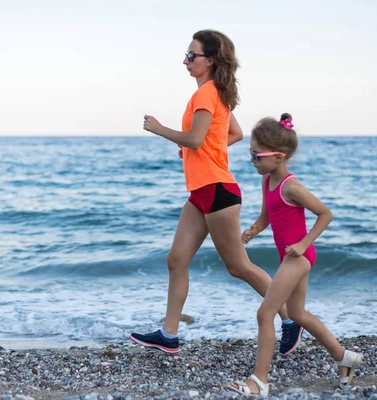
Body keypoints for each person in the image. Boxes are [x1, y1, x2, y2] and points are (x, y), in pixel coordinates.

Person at [129, 30, 302, 355]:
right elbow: (233, 133)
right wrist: (202, 151)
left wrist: (159, 128)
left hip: (217, 190)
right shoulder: (214, 94)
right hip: (201, 191)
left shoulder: (207, 95)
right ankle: (169, 335)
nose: (185, 60)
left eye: (191, 55)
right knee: (176, 259)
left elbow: (194, 139)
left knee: (238, 266)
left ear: (209, 61)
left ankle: (290, 319)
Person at [225, 114, 363, 396]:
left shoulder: (291, 186)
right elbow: (268, 216)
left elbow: (325, 214)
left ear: (279, 157)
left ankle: (259, 382)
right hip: (290, 257)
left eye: (256, 154)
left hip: (298, 258)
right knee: (298, 313)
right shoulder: (267, 182)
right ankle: (344, 357)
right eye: (250, 153)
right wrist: (254, 229)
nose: (252, 159)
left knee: (265, 313)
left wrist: (303, 244)